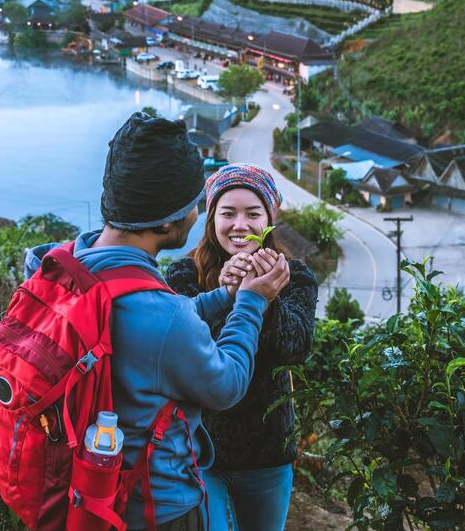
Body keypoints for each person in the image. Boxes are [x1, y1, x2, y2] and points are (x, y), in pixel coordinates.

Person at [24, 113, 291, 530]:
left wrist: (223, 297)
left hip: (75, 487)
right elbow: (226, 385)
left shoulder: (58, 267)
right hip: (155, 506)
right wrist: (252, 302)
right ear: (169, 220)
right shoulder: (162, 314)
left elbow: (152, 330)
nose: (197, 213)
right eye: (194, 204)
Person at [164, 164, 318, 531]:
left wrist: (266, 297)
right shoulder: (184, 275)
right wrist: (226, 295)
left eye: (253, 213)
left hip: (268, 451)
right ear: (211, 217)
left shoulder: (294, 276)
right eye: (228, 213)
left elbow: (294, 349)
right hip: (200, 450)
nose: (240, 225)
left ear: (270, 218)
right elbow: (186, 354)